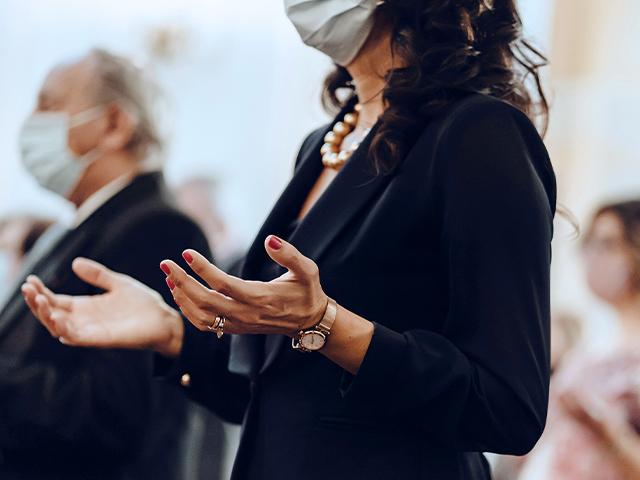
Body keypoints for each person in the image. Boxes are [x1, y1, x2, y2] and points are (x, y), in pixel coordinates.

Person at [23, 2, 557, 479]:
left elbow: (507, 409)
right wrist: (172, 333)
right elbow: (275, 395)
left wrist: (326, 324)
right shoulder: (325, 143)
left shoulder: (480, 133)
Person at [1, 48, 213, 480]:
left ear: (115, 124)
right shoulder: (84, 224)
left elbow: (111, 410)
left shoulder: (157, 228)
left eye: (49, 105)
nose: (32, 122)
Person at [519, 201, 640, 480]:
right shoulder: (593, 345)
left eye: (609, 244)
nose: (592, 257)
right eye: (590, 243)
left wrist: (608, 432)